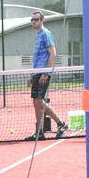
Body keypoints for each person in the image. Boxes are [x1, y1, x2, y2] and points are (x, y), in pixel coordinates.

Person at [26, 11, 67, 140]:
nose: (34, 21)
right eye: (32, 19)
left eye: (36, 19)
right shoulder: (38, 35)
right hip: (37, 73)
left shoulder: (46, 34)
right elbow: (38, 57)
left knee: (39, 101)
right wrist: (32, 75)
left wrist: (46, 72)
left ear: (42, 20)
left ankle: (61, 123)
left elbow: (53, 54)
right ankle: (39, 132)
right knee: (36, 103)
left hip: (44, 73)